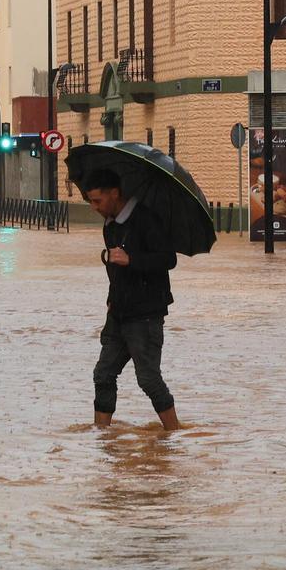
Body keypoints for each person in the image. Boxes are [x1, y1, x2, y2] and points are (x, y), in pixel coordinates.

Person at [82, 169, 180, 430]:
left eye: (97, 200)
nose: (94, 207)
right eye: (90, 201)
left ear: (114, 193)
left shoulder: (147, 219)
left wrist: (132, 259)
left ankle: (174, 434)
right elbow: (115, 268)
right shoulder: (110, 224)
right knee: (103, 374)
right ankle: (102, 436)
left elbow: (168, 259)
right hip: (118, 312)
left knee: (148, 379)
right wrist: (111, 298)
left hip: (146, 314)